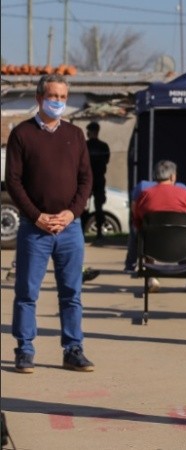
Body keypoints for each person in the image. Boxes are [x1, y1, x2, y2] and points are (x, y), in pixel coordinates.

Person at [6, 74, 95, 373]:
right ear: (39, 98)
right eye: (53, 96)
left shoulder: (75, 134)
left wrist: (72, 213)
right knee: (27, 293)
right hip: (35, 228)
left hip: (69, 228)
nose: (58, 101)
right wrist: (37, 216)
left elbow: (86, 179)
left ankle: (73, 349)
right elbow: (14, 182)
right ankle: (25, 349)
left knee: (71, 293)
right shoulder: (21, 134)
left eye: (62, 97)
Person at [133, 160, 186, 292]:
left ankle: (151, 277)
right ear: (172, 177)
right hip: (183, 246)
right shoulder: (184, 194)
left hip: (152, 246)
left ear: (155, 176)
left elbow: (137, 219)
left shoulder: (145, 195)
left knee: (146, 232)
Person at [85, 121, 110, 242]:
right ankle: (99, 232)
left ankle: (81, 230)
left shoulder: (84, 146)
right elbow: (106, 161)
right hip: (99, 179)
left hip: (86, 180)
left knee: (84, 206)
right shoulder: (104, 146)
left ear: (90, 132)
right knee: (99, 206)